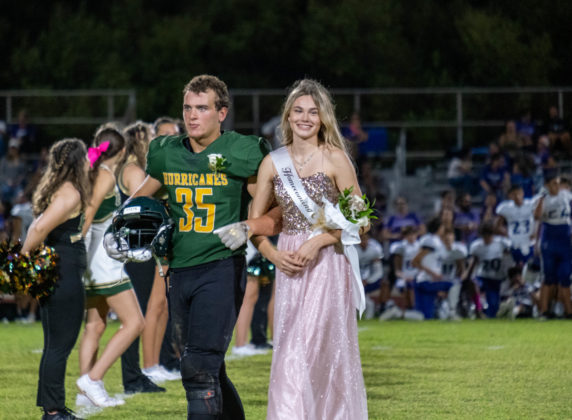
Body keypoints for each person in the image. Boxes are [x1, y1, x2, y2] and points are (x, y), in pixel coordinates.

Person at [132, 74, 273, 419]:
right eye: (188, 108)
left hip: (221, 266)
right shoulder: (167, 153)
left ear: (221, 113)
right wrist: (129, 227)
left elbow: (272, 203)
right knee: (207, 366)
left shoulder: (241, 151)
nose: (192, 115)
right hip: (179, 270)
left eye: (202, 108)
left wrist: (255, 228)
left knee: (197, 369)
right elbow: (139, 201)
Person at [239, 79, 368, 419]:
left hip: (327, 262)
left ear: (323, 118)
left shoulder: (336, 158)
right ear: (288, 115)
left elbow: (361, 220)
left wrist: (319, 240)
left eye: (313, 112)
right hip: (289, 261)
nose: (305, 118)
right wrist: (274, 255)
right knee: (289, 349)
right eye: (299, 111)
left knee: (317, 351)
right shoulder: (273, 162)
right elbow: (257, 225)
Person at [76, 125, 145, 408]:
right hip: (103, 262)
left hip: (94, 261)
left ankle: (84, 396)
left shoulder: (88, 170)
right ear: (124, 151)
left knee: (95, 326)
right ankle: (92, 379)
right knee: (135, 323)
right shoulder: (104, 175)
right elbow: (89, 215)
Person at [21, 138, 90, 420]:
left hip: (58, 270)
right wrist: (21, 259)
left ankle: (53, 407)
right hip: (64, 272)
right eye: (84, 158)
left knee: (55, 345)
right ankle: (53, 411)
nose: (88, 163)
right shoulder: (69, 192)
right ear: (76, 162)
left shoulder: (57, 188)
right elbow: (38, 228)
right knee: (60, 345)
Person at [117, 121, 171, 393]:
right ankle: (133, 376)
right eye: (150, 139)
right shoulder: (135, 171)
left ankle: (135, 374)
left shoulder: (131, 169)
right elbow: (141, 208)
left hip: (137, 247)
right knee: (136, 314)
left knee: (137, 313)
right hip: (137, 249)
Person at [533, 170, 572, 319]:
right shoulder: (542, 199)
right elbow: (537, 216)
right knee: (548, 277)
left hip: (564, 240)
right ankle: (544, 311)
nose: (557, 186)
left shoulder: (566, 195)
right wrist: (542, 197)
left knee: (565, 276)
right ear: (547, 185)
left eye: (558, 183)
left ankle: (569, 312)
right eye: (554, 184)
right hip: (549, 240)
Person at [464, 220, 512, 318]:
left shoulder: (502, 243)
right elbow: (473, 262)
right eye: (484, 236)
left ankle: (489, 312)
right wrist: (467, 275)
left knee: (493, 309)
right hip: (482, 277)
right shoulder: (477, 246)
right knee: (473, 283)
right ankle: (478, 308)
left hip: (497, 279)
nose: (487, 239)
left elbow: (509, 259)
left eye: (489, 235)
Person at [495, 184, 536, 269]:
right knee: (516, 267)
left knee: (530, 267)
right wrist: (507, 234)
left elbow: (540, 219)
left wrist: (535, 232)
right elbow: (497, 225)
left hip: (529, 241)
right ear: (510, 196)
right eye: (514, 194)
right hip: (514, 242)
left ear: (523, 193)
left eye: (519, 193)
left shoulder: (531, 204)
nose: (517, 196)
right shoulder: (505, 207)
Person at [356, 231, 384, 319]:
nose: (364, 242)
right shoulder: (352, 249)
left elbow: (378, 271)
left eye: (365, 239)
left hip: (368, 279)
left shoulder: (374, 250)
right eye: (361, 239)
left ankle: (381, 307)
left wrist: (367, 280)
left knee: (384, 283)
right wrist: (358, 280)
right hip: (355, 279)